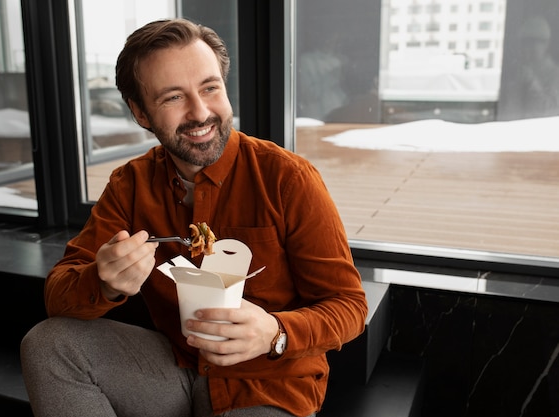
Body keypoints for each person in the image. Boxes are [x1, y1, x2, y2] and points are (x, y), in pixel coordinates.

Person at [20, 18, 368, 417]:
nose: (200, 112)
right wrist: (103, 281)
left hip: (269, 384)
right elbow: (59, 293)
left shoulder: (288, 178)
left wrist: (276, 332)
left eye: (210, 88)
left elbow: (348, 306)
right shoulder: (129, 184)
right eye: (173, 98)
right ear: (141, 112)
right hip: (176, 367)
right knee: (48, 346)